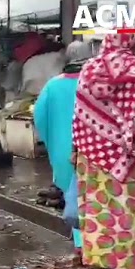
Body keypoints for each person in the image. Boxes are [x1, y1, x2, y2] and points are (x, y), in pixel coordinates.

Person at [71, 34, 135, 269]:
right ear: (133, 43)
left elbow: (79, 114)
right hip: (123, 156)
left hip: (90, 155)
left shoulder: (89, 69)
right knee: (125, 216)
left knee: (96, 214)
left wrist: (75, 150)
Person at [34, 40, 93, 252]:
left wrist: (52, 142)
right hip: (95, 149)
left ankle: (80, 245)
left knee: (74, 198)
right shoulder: (96, 83)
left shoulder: (52, 85)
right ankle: (95, 247)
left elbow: (39, 118)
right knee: (96, 198)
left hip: (63, 151)